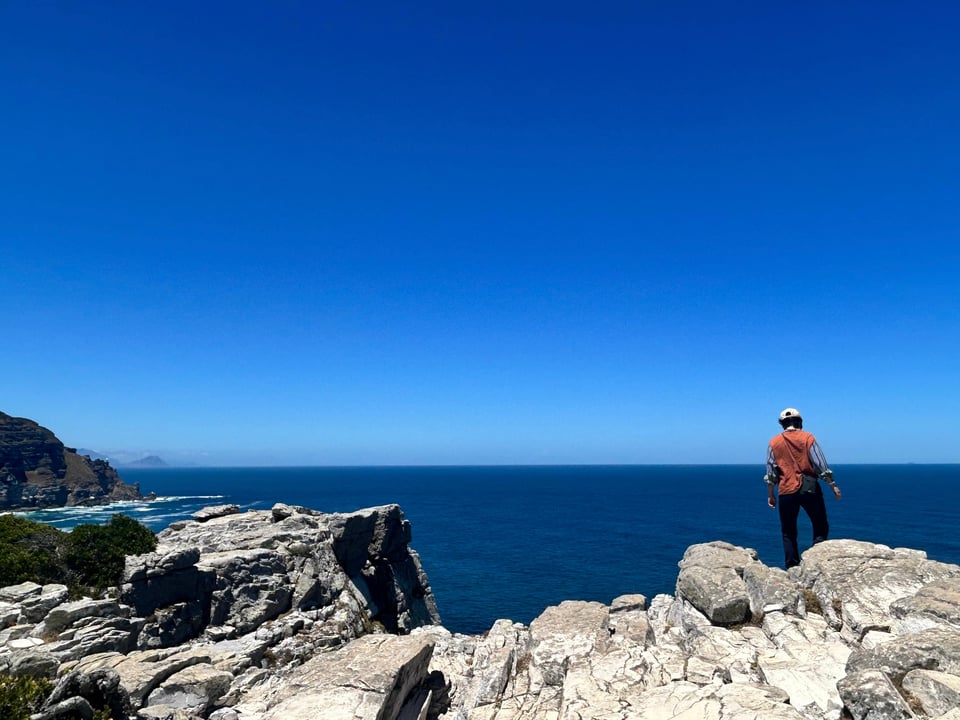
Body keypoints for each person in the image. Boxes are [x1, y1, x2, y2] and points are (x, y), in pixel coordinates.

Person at [764, 407, 842, 568]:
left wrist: (771, 494)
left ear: (782, 424)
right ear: (799, 422)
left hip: (786, 490)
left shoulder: (774, 442)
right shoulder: (808, 438)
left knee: (788, 530)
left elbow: (771, 471)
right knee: (820, 524)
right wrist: (832, 485)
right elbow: (820, 464)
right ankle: (817, 559)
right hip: (809, 488)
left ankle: (792, 565)